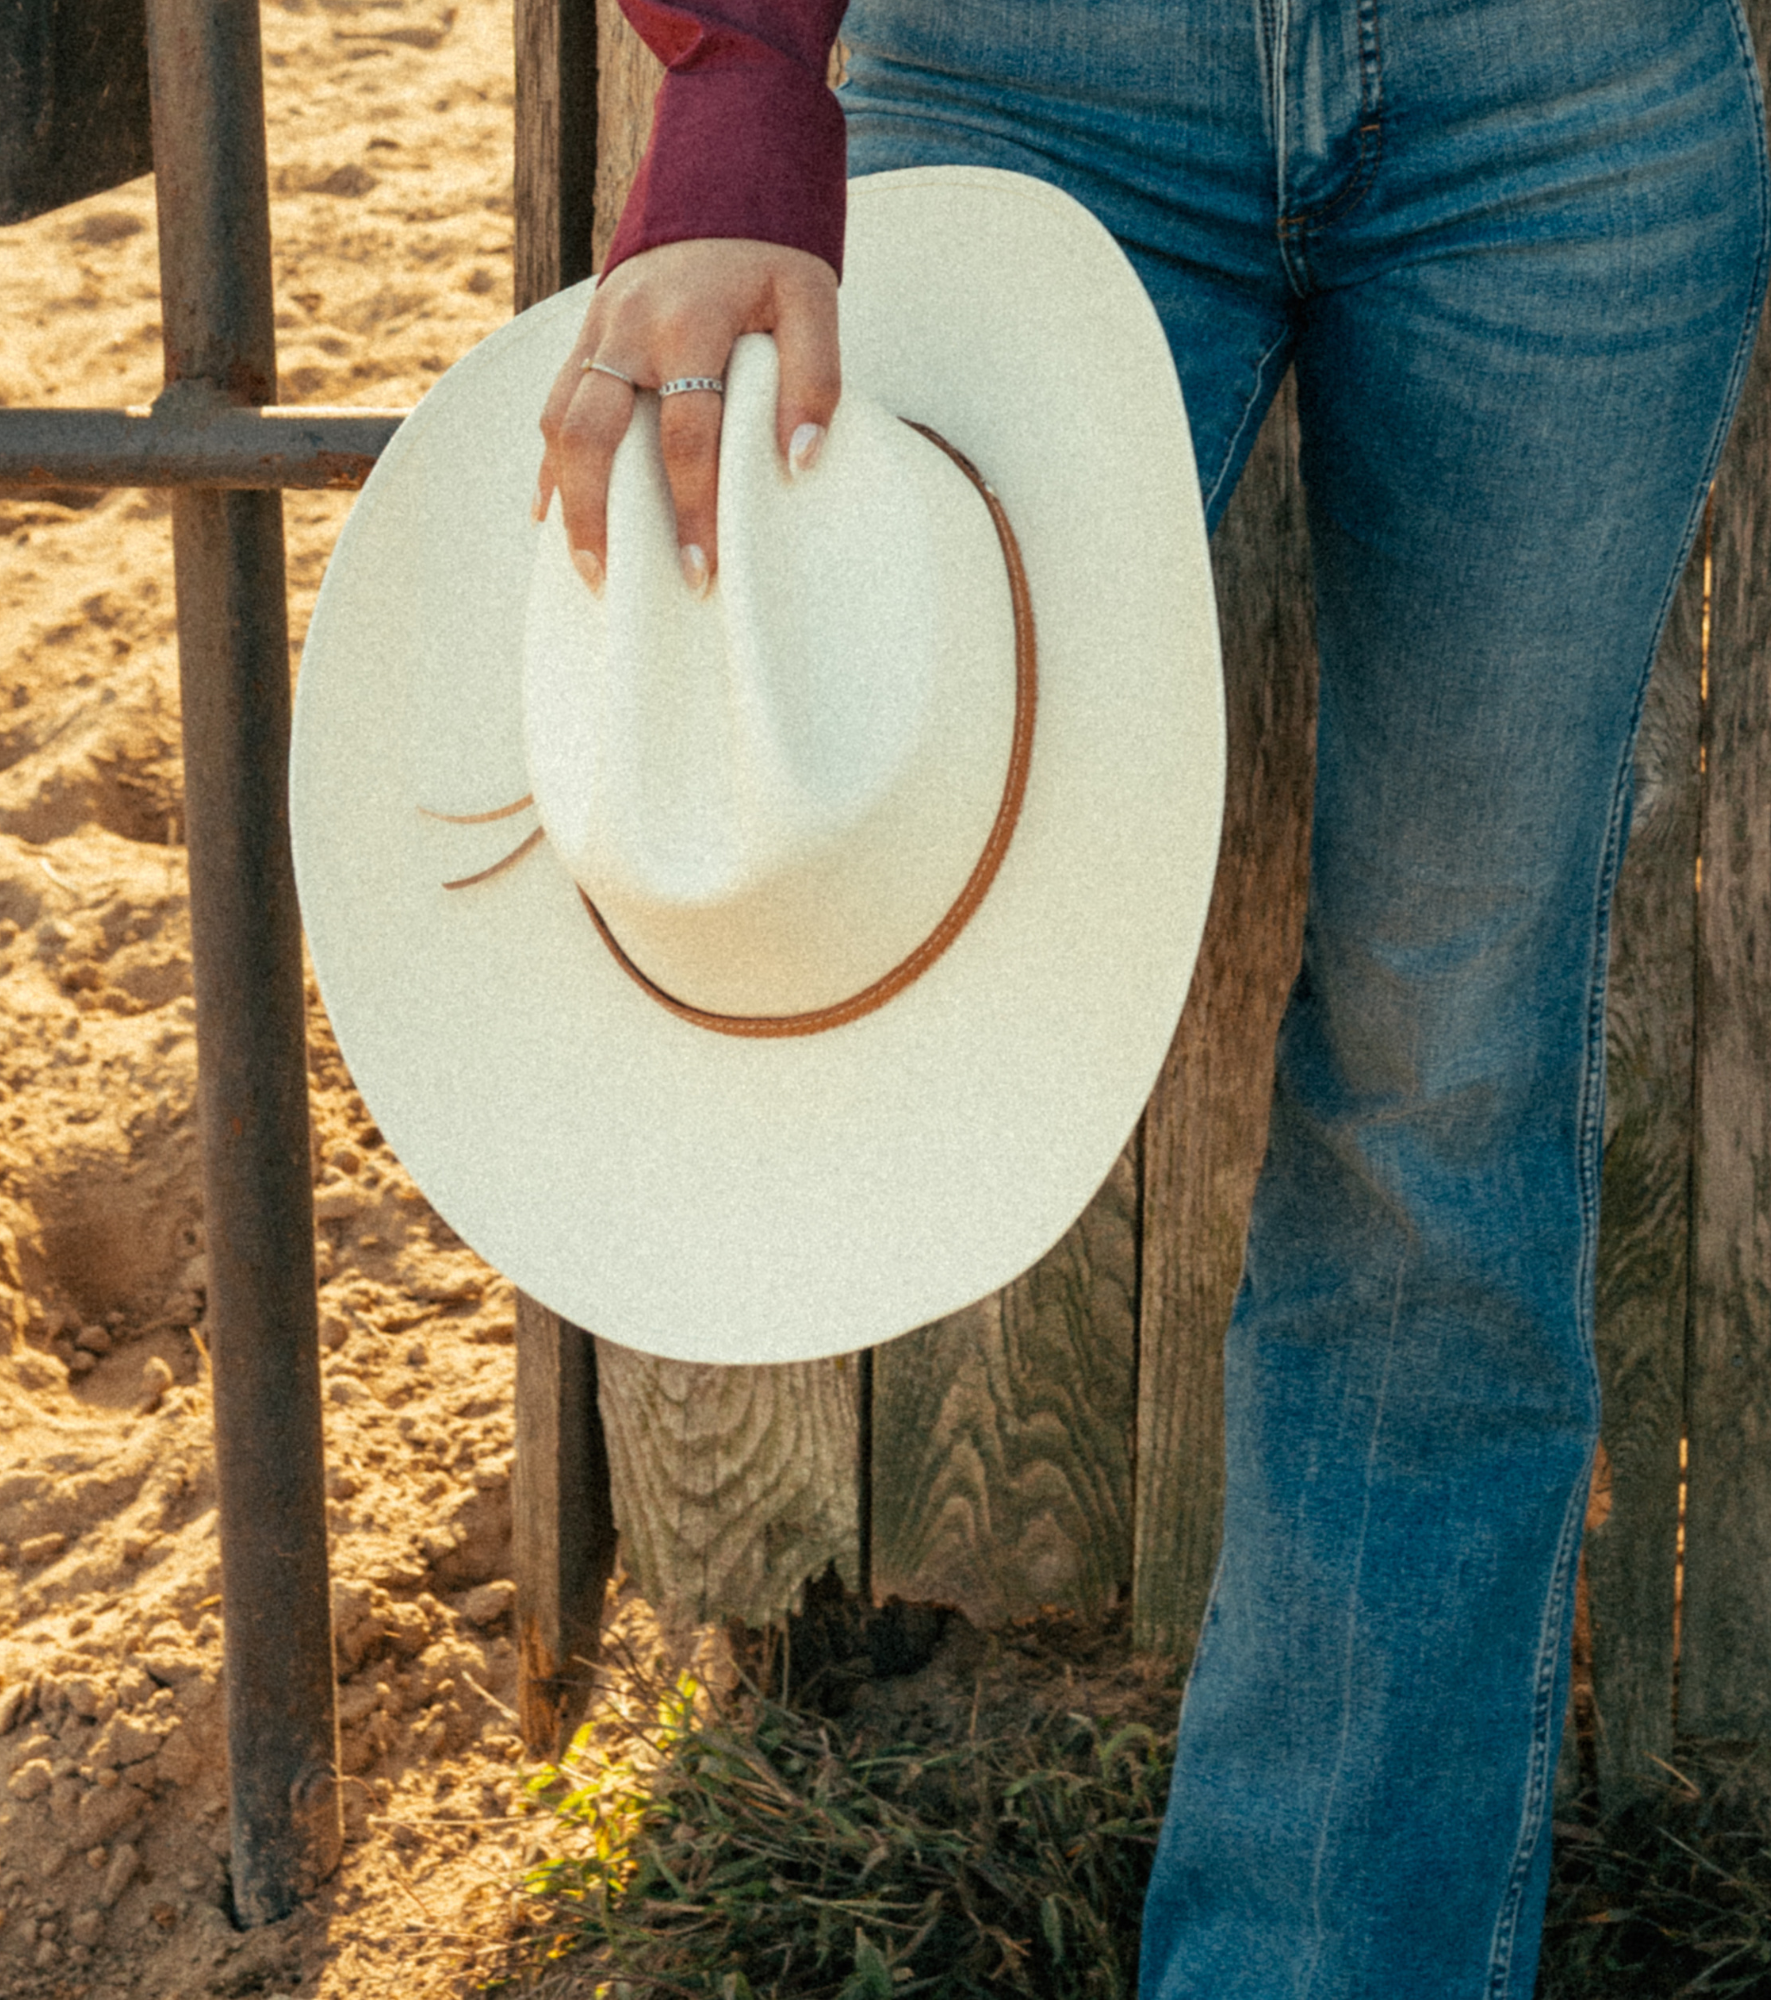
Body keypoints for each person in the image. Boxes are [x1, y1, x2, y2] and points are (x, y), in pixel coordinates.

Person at [531, 4, 1771, 1994]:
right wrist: (741, 74)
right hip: (1027, 77)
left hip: (1566, 106)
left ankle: (1324, 1962)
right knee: (850, 866)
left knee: (1449, 1083)